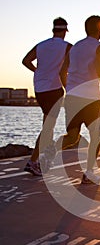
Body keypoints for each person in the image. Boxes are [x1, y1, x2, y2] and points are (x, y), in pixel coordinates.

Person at [43, 15, 100, 184]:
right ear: (99, 28)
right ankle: (88, 174)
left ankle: (50, 152)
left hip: (73, 97)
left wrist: (70, 88)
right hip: (91, 99)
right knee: (95, 136)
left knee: (72, 136)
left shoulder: (74, 48)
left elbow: (62, 72)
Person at [22, 17, 72, 176]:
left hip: (39, 89)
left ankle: (42, 157)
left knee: (48, 124)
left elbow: (26, 61)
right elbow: (63, 72)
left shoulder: (41, 45)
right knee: (48, 127)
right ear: (65, 31)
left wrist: (38, 71)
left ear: (53, 30)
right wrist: (69, 89)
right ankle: (33, 161)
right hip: (54, 89)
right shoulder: (67, 47)